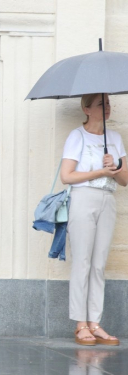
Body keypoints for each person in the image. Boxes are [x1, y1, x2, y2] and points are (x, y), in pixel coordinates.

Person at [60, 93, 128, 346]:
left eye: (108, 103)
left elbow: (124, 180)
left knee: (99, 263)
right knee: (83, 261)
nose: (107, 107)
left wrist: (116, 166)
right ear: (87, 109)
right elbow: (67, 176)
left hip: (107, 200)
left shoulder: (115, 138)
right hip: (83, 199)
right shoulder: (77, 136)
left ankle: (95, 322)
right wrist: (100, 170)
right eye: (101, 104)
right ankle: (80, 324)